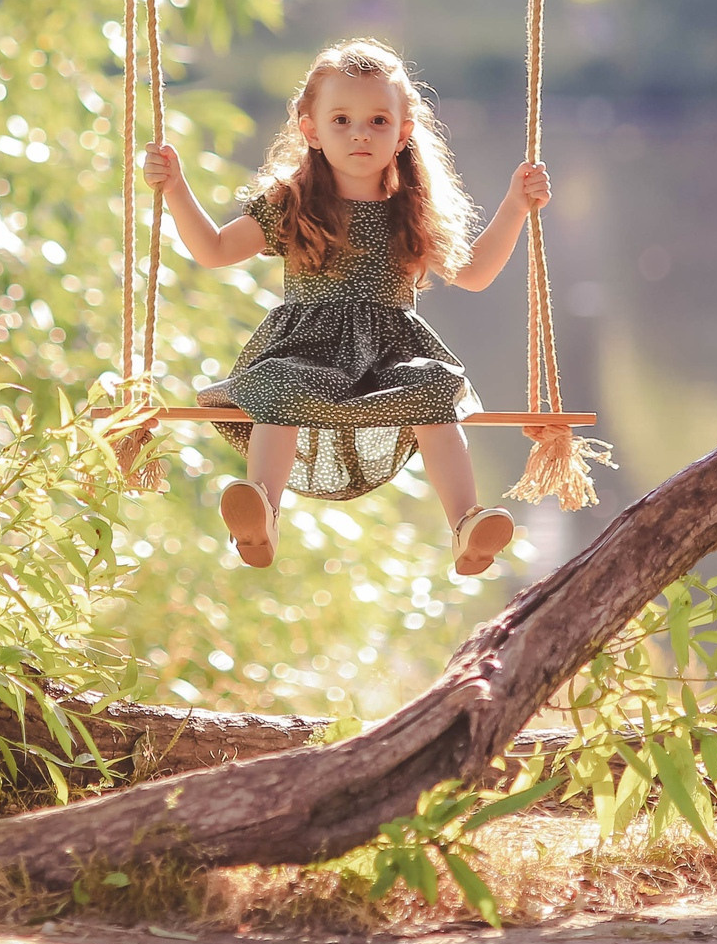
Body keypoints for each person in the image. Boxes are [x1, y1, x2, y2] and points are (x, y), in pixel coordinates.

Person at [140, 37, 552, 577]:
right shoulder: (290, 203)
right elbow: (213, 251)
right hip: (306, 351)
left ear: (404, 132)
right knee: (282, 383)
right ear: (310, 128)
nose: (360, 132)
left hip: (390, 356)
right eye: (341, 120)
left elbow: (474, 273)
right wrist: (175, 189)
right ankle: (262, 511)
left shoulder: (412, 208)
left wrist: (516, 205)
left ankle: (466, 525)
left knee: (435, 385)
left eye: (379, 120)